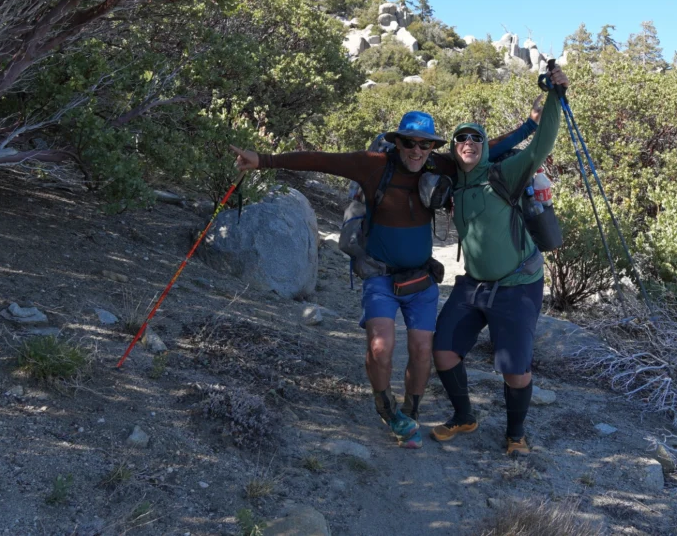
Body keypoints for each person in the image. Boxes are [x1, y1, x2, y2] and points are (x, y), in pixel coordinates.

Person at [230, 103, 541, 449]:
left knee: (423, 350)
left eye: (426, 145)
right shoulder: (374, 166)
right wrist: (263, 160)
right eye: (410, 143)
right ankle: (386, 407)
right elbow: (323, 159)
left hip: (421, 278)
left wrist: (529, 125)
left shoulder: (439, 164)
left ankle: (411, 410)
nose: (417, 151)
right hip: (379, 275)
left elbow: (485, 147)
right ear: (397, 142)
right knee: (381, 347)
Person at [430, 66, 569, 457]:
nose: (468, 142)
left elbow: (540, 145)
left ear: (484, 146)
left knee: (515, 369)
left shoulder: (503, 173)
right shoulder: (455, 182)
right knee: (443, 351)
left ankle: (516, 435)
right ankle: (463, 416)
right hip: (473, 284)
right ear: (454, 149)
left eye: (475, 137)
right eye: (461, 138)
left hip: (517, 285)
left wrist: (555, 97)